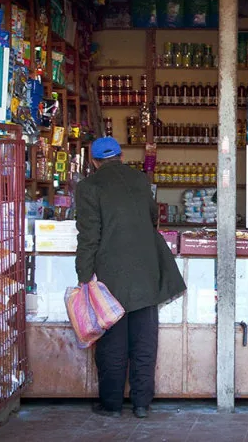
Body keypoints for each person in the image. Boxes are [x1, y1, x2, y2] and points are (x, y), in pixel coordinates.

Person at [75, 136, 186, 419]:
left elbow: (88, 236)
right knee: (144, 340)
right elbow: (152, 216)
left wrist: (84, 276)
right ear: (121, 157)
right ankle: (141, 404)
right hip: (146, 271)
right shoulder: (139, 179)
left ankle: (112, 405)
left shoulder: (89, 187)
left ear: (94, 161)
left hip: (110, 275)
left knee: (112, 343)